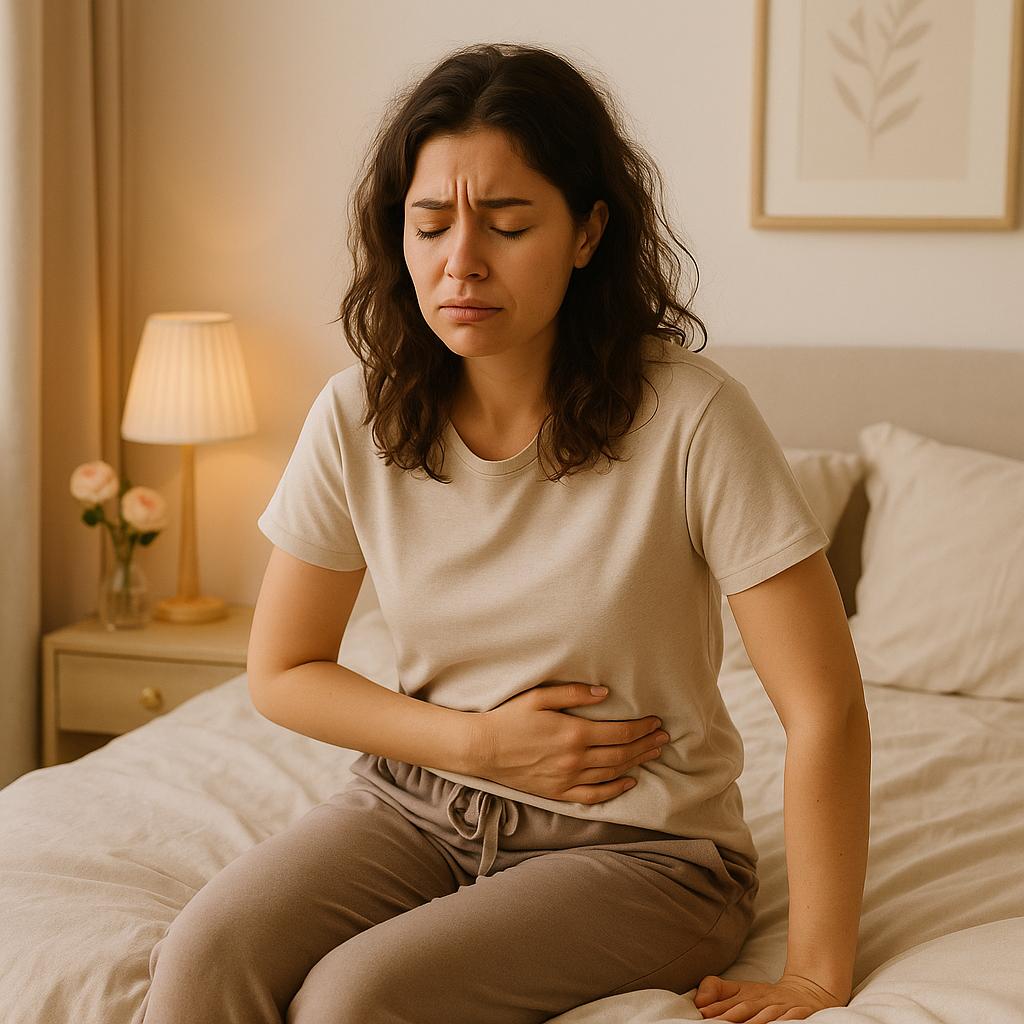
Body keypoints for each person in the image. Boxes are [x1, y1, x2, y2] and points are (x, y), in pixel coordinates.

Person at [133, 42, 869, 1024]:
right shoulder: (358, 414)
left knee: (354, 1000)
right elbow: (282, 668)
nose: (461, 261)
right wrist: (477, 745)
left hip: (644, 853)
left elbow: (823, 707)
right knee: (200, 961)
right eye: (429, 223)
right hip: (415, 807)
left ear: (586, 231)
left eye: (509, 222)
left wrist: (816, 973)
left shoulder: (692, 419)